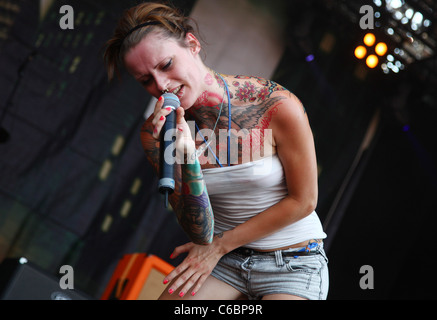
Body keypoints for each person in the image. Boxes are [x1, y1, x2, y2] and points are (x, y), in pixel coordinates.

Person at [104, 2, 328, 300]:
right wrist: (185, 155)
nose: (161, 85)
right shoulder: (156, 133)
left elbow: (304, 200)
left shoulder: (274, 106)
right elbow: (198, 229)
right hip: (221, 260)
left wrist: (219, 247)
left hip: (292, 261)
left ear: (192, 44)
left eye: (166, 65)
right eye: (146, 80)